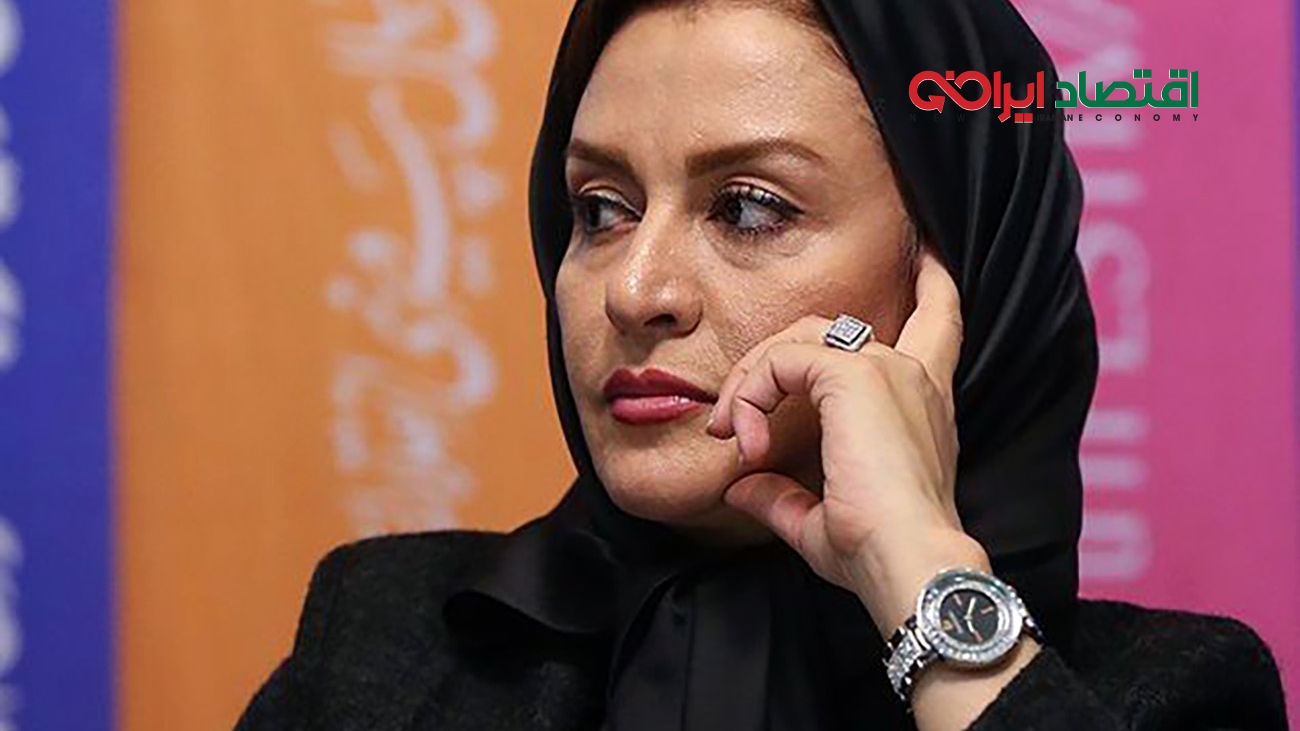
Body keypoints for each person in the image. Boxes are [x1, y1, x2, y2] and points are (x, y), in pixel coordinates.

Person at [235, 0, 1288, 729]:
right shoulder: (381, 638)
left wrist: (921, 574)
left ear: (960, 269)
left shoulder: (1174, 692)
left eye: (747, 208)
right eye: (600, 210)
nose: (633, 289)